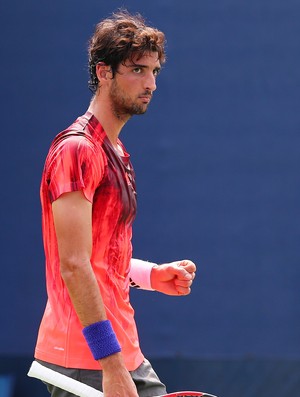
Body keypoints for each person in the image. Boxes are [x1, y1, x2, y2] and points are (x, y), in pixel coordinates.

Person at [33, 9, 196, 397]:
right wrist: (111, 364)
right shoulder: (76, 150)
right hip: (88, 360)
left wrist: (150, 275)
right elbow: (72, 266)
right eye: (138, 70)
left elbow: (100, 258)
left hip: (123, 351)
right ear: (104, 72)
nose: (151, 83)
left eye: (155, 71)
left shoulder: (116, 151)